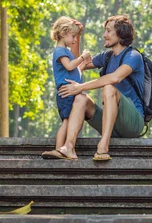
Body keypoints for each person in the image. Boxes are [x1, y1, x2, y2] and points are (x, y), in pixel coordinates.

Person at [56, 15, 145, 161]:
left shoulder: (133, 56)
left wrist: (80, 87)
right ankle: (69, 148)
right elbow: (79, 65)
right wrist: (77, 36)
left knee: (109, 87)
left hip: (133, 123)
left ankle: (103, 147)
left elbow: (114, 77)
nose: (104, 35)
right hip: (111, 123)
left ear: (121, 33)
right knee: (80, 98)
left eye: (108, 31)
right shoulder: (107, 57)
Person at [42, 17, 91, 160]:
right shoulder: (60, 51)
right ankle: (59, 149)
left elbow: (73, 70)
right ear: (63, 34)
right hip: (66, 92)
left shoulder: (66, 51)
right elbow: (69, 66)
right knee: (67, 121)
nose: (75, 40)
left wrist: (82, 63)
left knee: (70, 120)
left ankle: (63, 149)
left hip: (71, 91)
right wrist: (82, 57)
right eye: (73, 36)